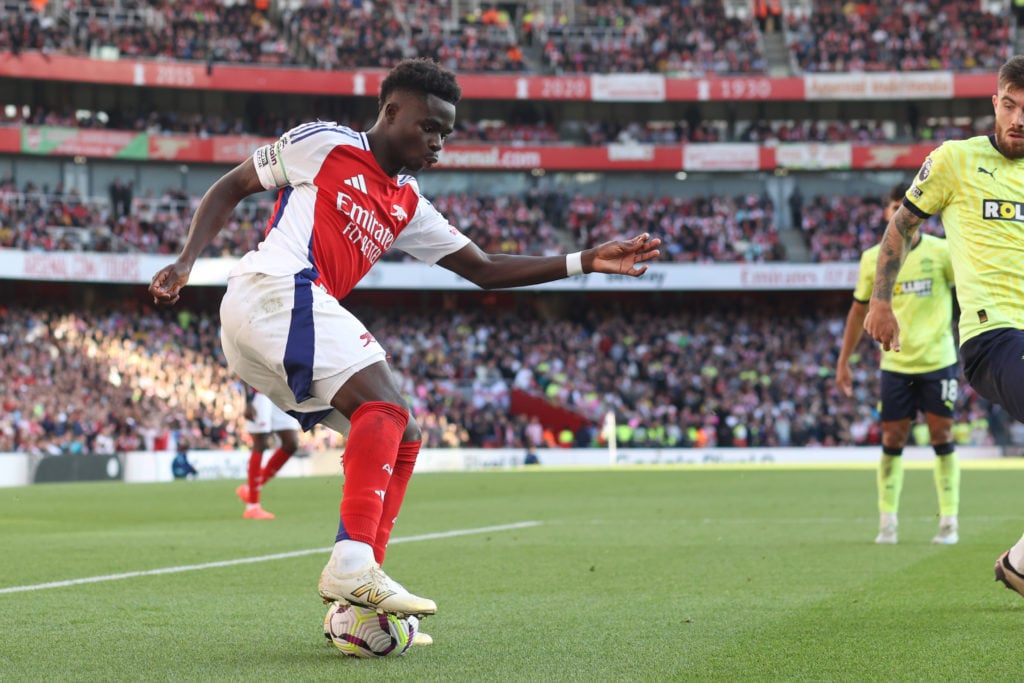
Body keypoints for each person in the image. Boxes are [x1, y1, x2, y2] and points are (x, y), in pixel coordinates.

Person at [149, 58, 660, 623]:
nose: (438, 141)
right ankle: (349, 564)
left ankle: (358, 605)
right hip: (273, 291)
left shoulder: (408, 201)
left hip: (277, 322)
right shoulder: (326, 144)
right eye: (428, 126)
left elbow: (485, 268)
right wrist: (185, 260)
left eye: (446, 132)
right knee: (386, 404)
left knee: (404, 434)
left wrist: (584, 261)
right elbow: (234, 184)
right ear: (391, 113)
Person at [863, 55, 1024, 597]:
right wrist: (880, 301)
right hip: (993, 335)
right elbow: (902, 226)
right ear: (994, 104)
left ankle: (1021, 564)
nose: (1019, 118)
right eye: (1010, 105)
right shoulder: (954, 161)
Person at [836, 182, 959, 545]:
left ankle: (948, 522)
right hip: (895, 365)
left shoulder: (941, 252)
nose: (897, 212)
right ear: (886, 213)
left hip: (938, 361)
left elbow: (967, 292)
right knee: (892, 438)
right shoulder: (872, 258)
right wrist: (844, 361)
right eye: (893, 206)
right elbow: (859, 312)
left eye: (902, 206)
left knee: (943, 436)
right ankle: (887, 521)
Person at [235, 383, 300, 520]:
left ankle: (250, 489)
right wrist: (248, 401)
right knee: (260, 442)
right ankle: (252, 507)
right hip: (259, 391)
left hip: (281, 391)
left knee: (291, 444)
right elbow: (244, 366)